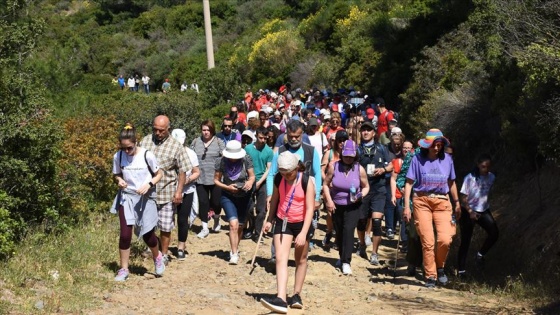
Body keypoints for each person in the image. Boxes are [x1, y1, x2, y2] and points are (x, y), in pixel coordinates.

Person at [403, 128, 461, 288]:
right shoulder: (417, 159)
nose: (437, 148)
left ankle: (440, 266)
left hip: (443, 202)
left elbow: (451, 182)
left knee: (445, 239)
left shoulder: (448, 160)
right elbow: (409, 182)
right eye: (434, 145)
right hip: (421, 201)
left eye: (440, 145)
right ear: (427, 145)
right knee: (427, 241)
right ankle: (431, 275)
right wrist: (407, 207)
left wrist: (457, 202)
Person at [260, 152, 316, 313]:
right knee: (280, 258)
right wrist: (270, 220)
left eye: (289, 173)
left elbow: (311, 208)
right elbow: (275, 200)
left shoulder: (306, 181)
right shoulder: (279, 179)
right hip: (283, 221)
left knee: (301, 259)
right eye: (283, 173)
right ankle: (281, 298)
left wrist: (304, 233)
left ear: (297, 168)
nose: (286, 176)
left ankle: (296, 294)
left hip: (301, 223)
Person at [111, 124, 165, 281]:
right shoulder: (118, 156)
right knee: (125, 234)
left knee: (147, 234)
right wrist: (119, 180)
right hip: (127, 197)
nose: (126, 151)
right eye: (123, 148)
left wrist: (149, 185)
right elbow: (117, 174)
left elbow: (159, 174)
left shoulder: (147, 155)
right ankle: (124, 269)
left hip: (145, 198)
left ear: (136, 142)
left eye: (129, 148)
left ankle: (157, 256)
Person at [139, 115, 192, 265]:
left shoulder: (176, 146)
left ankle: (164, 253)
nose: (157, 133)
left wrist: (179, 191)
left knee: (165, 225)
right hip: (147, 192)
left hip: (167, 191)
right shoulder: (145, 141)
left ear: (168, 129)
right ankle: (153, 248)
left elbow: (182, 171)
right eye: (155, 129)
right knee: (146, 224)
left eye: (161, 130)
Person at [323, 140, 369, 275]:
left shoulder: (359, 169)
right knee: (340, 231)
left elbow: (366, 186)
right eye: (346, 155)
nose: (348, 158)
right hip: (337, 205)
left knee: (349, 231)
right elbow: (326, 184)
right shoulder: (334, 166)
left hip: (353, 205)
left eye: (351, 156)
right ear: (342, 154)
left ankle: (346, 261)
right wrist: (329, 201)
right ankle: (342, 256)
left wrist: (361, 195)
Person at [355, 121, 393, 264]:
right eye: (363, 130)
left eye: (368, 130)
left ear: (373, 133)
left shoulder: (381, 148)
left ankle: (375, 253)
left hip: (379, 189)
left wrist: (382, 170)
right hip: (363, 189)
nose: (365, 132)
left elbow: (390, 166)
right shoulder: (357, 150)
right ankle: (362, 244)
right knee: (361, 221)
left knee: (377, 221)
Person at [213, 140, 256, 264]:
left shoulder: (246, 159)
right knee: (233, 224)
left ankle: (235, 247)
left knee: (240, 226)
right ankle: (234, 253)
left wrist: (249, 182)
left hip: (244, 196)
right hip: (228, 195)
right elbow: (216, 180)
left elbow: (252, 176)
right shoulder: (220, 161)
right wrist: (227, 187)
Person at [457, 154, 498, 278]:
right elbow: (463, 198)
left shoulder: (492, 177)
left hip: (483, 210)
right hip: (468, 211)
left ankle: (480, 255)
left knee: (494, 233)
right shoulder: (470, 178)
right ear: (478, 165)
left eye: (488, 166)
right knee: (466, 240)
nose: (486, 169)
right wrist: (470, 212)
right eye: (483, 166)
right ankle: (461, 271)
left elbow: (488, 192)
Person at [191, 120, 225, 238]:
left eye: (208, 130)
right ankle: (204, 227)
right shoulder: (196, 142)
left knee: (216, 202)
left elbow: (224, 157)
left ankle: (216, 219)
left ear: (212, 130)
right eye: (204, 130)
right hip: (200, 178)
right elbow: (190, 157)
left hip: (216, 178)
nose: (206, 132)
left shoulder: (219, 142)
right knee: (203, 202)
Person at [171, 129, 201, 261]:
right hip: (168, 190)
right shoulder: (167, 152)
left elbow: (196, 171)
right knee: (165, 219)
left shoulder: (190, 153)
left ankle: (181, 247)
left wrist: (187, 180)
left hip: (186, 190)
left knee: (183, 219)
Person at [244, 127, 273, 240]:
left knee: (262, 209)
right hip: (249, 180)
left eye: (265, 138)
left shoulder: (269, 151)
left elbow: (269, 169)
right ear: (256, 136)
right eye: (261, 138)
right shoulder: (248, 149)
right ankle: (250, 227)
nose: (263, 140)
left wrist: (260, 182)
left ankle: (258, 232)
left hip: (262, 180)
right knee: (249, 208)